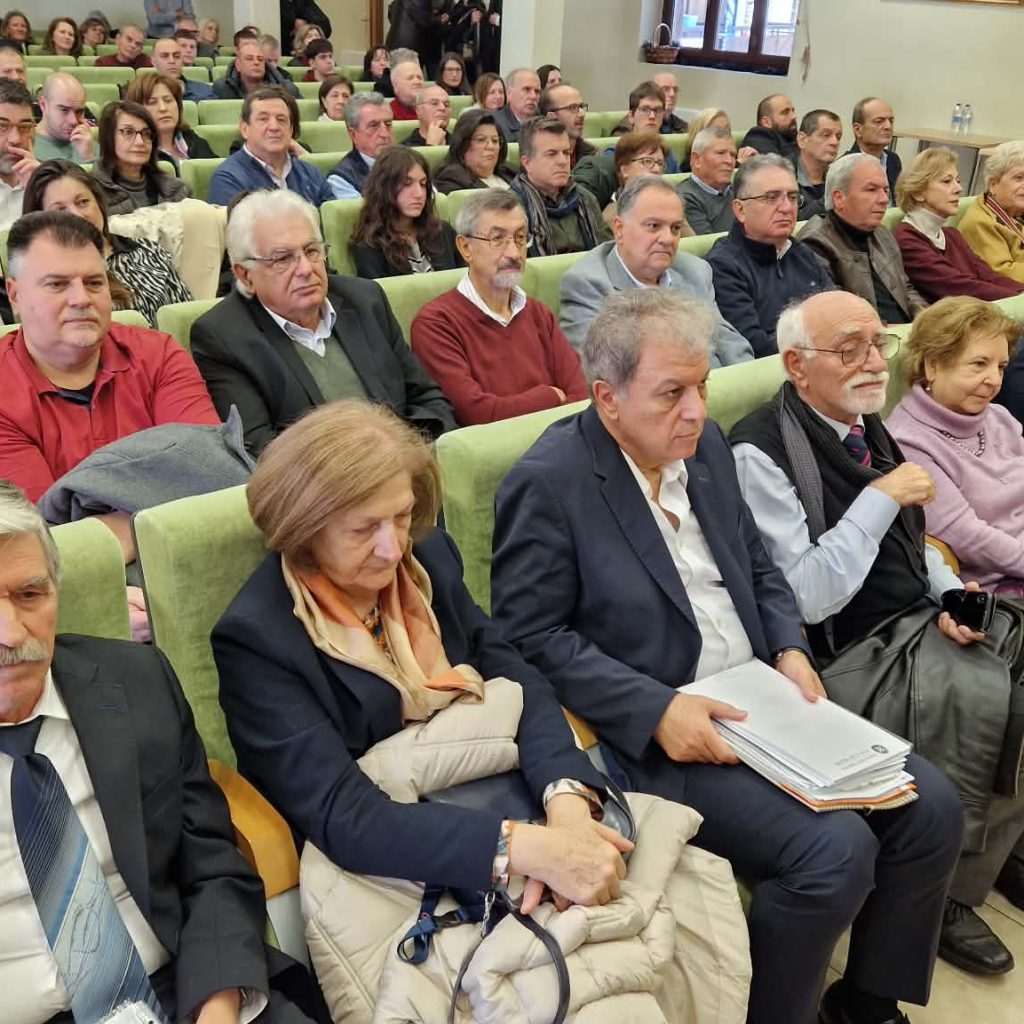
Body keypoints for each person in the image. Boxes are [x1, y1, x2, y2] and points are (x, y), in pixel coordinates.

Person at [490, 286, 964, 1024]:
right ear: (608, 397)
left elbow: (759, 565)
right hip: (664, 727)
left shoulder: (705, 446)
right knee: (834, 852)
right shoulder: (549, 482)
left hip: (762, 696)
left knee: (930, 807)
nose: (695, 411)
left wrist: (789, 646)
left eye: (702, 387)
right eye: (671, 393)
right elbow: (528, 637)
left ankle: (865, 1003)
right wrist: (657, 709)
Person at [731, 289, 1024, 977]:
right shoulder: (760, 450)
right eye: (849, 349)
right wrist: (878, 498)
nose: (872, 362)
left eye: (876, 343)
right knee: (996, 696)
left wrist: (949, 592)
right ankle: (948, 892)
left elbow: (913, 542)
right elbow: (805, 596)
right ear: (797, 365)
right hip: (846, 651)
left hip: (915, 615)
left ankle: (999, 852)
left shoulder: (861, 423)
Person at [0, 483, 328, 1024]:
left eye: (30, 595)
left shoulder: (136, 684)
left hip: (184, 987)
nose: (12, 634)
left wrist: (216, 1007)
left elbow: (212, 866)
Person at [190, 190, 454, 455]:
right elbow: (261, 451)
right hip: (323, 479)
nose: (306, 269)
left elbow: (428, 399)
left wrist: (414, 459)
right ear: (246, 276)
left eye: (311, 251)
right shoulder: (222, 337)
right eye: (283, 259)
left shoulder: (365, 300)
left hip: (409, 460)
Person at [0, 210, 216, 509]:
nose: (81, 299)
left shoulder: (159, 355)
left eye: (94, 283)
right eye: (57, 284)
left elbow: (209, 473)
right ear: (15, 296)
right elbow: (42, 525)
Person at [412, 189, 586, 424]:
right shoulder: (436, 324)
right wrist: (550, 395)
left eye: (520, 238)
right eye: (497, 239)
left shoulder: (538, 313)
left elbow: (582, 396)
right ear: (465, 248)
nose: (514, 253)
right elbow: (478, 414)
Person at [888, 297, 1024, 594]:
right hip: (999, 586)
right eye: (979, 364)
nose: (994, 380)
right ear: (933, 365)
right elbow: (966, 536)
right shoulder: (907, 442)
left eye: (1001, 367)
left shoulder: (998, 416)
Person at [560, 176, 752, 367]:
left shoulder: (695, 270)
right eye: (653, 226)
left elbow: (729, 343)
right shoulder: (587, 284)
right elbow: (599, 370)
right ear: (619, 229)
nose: (668, 239)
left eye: (675, 228)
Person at [24, 159, 193, 328]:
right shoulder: (46, 278)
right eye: (60, 210)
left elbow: (185, 319)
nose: (77, 215)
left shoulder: (148, 251)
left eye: (83, 202)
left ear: (99, 203)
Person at [706, 154, 832, 357]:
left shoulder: (800, 251)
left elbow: (835, 309)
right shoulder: (723, 266)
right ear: (740, 210)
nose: (786, 208)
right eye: (771, 198)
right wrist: (824, 340)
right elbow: (755, 346)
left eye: (792, 197)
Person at [799, 152, 927, 323]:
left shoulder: (882, 234)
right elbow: (837, 316)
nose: (884, 200)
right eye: (871, 190)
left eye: (885, 190)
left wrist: (926, 320)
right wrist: (891, 331)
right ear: (839, 198)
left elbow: (906, 289)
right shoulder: (814, 243)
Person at [894, 148, 1023, 302]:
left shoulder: (952, 235)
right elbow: (961, 287)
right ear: (918, 193)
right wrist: (1018, 300)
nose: (959, 189)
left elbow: (989, 276)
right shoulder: (907, 241)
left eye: (958, 181)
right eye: (946, 181)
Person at [208, 87, 334, 208]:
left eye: (281, 120)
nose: (274, 127)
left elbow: (330, 220)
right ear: (244, 129)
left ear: (291, 130)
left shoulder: (311, 174)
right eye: (263, 119)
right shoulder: (228, 179)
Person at [349, 146, 461, 279]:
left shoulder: (443, 232)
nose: (419, 194)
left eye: (423, 184)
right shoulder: (369, 247)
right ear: (385, 188)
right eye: (407, 184)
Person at [510, 117, 611, 257]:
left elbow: (607, 254)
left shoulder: (585, 198)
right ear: (527, 163)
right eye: (551, 154)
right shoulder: (510, 208)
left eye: (566, 153)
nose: (563, 161)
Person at [92, 101, 191, 216]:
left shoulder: (178, 191)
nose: (140, 142)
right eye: (128, 132)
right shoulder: (91, 193)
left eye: (146, 134)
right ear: (108, 138)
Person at [958, 140, 1024, 285]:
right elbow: (1002, 273)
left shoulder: (1017, 212)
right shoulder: (980, 223)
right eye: (1019, 178)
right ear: (993, 185)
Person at [123, 73, 216, 168]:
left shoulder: (196, 142)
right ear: (137, 111)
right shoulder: (134, 153)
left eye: (168, 100)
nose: (163, 108)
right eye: (152, 102)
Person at [325, 92, 394, 200]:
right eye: (374, 126)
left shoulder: (408, 165)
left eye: (388, 124)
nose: (385, 134)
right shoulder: (341, 180)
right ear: (353, 135)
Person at [433, 108, 516, 193]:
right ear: (462, 144)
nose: (491, 146)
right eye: (481, 140)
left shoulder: (509, 171)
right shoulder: (451, 179)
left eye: (495, 140)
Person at [601, 130, 672, 226]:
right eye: (647, 161)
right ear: (625, 170)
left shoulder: (670, 206)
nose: (657, 169)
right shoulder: (613, 217)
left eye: (660, 163)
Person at [677, 126, 737, 234]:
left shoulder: (739, 191)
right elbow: (708, 243)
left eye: (733, 155)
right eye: (720, 153)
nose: (729, 161)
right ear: (696, 160)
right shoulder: (685, 198)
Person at [0, 80, 38, 230]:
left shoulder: (47, 183)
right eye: (2, 126)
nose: (15, 139)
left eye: (24, 127)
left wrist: (40, 188)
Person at [33, 74, 95, 166]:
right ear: (43, 105)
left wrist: (89, 158)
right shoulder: (26, 145)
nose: (73, 121)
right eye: (64, 110)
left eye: (79, 111)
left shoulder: (90, 146)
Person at [848, 97, 901, 204]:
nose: (888, 126)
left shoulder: (893, 159)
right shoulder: (847, 166)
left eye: (891, 121)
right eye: (879, 121)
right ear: (858, 130)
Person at [213, 37, 300, 99]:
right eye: (249, 59)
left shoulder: (286, 89)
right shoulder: (222, 88)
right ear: (238, 65)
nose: (256, 62)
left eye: (260, 59)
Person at [796, 108, 843, 220]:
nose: (835, 142)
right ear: (802, 140)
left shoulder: (840, 179)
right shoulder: (782, 177)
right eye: (826, 135)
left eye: (838, 137)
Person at [539, 82, 595, 168]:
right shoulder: (537, 160)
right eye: (573, 108)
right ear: (551, 117)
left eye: (581, 106)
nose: (582, 114)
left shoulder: (593, 155)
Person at [149, 35, 214, 102]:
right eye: (165, 56)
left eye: (177, 56)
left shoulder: (206, 91)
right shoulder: (145, 93)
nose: (172, 61)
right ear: (153, 62)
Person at [741, 93, 799, 165]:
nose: (794, 116)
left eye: (793, 111)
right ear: (766, 122)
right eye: (785, 112)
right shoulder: (759, 135)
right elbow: (776, 167)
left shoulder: (796, 136)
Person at [492, 67, 540, 143]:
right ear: (509, 93)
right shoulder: (494, 123)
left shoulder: (543, 122)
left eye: (537, 91)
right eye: (526, 90)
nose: (533, 96)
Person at [387, 48, 423, 121]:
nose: (417, 82)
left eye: (419, 77)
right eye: (410, 78)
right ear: (395, 86)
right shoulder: (387, 114)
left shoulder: (433, 110)